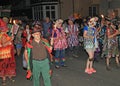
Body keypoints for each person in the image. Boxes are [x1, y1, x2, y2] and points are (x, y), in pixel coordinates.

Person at [0, 18, 16, 85]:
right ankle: (4, 80)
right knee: (4, 66)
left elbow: (10, 43)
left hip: (8, 53)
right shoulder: (3, 35)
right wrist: (10, 40)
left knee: (9, 65)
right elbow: (3, 45)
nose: (7, 28)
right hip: (5, 54)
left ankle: (9, 76)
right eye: (6, 27)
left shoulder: (6, 35)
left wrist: (11, 39)